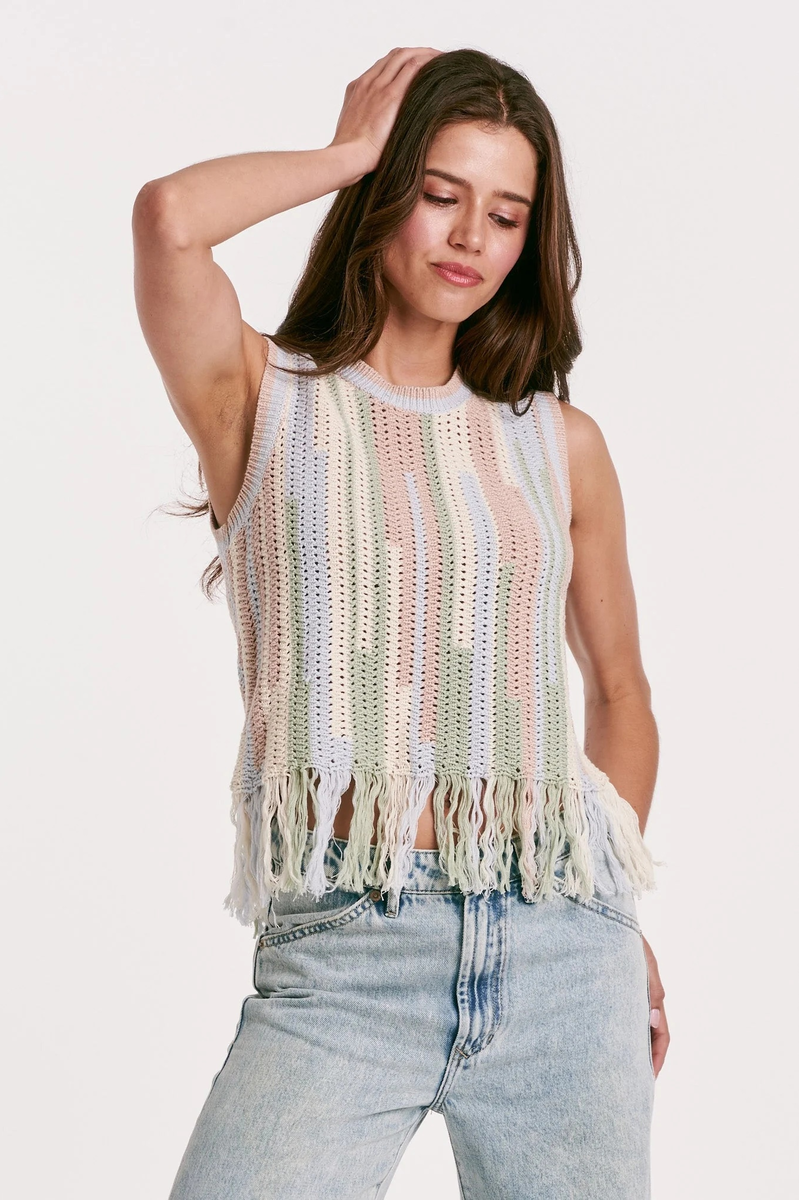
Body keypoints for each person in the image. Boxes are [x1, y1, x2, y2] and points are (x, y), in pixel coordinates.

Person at [133, 45, 669, 1200]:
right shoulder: (260, 400)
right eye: (438, 193)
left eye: (507, 215)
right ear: (384, 195)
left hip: (565, 949)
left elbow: (621, 691)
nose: (471, 236)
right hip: (346, 952)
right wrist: (347, 154)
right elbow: (170, 222)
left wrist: (612, 909)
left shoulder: (559, 444)